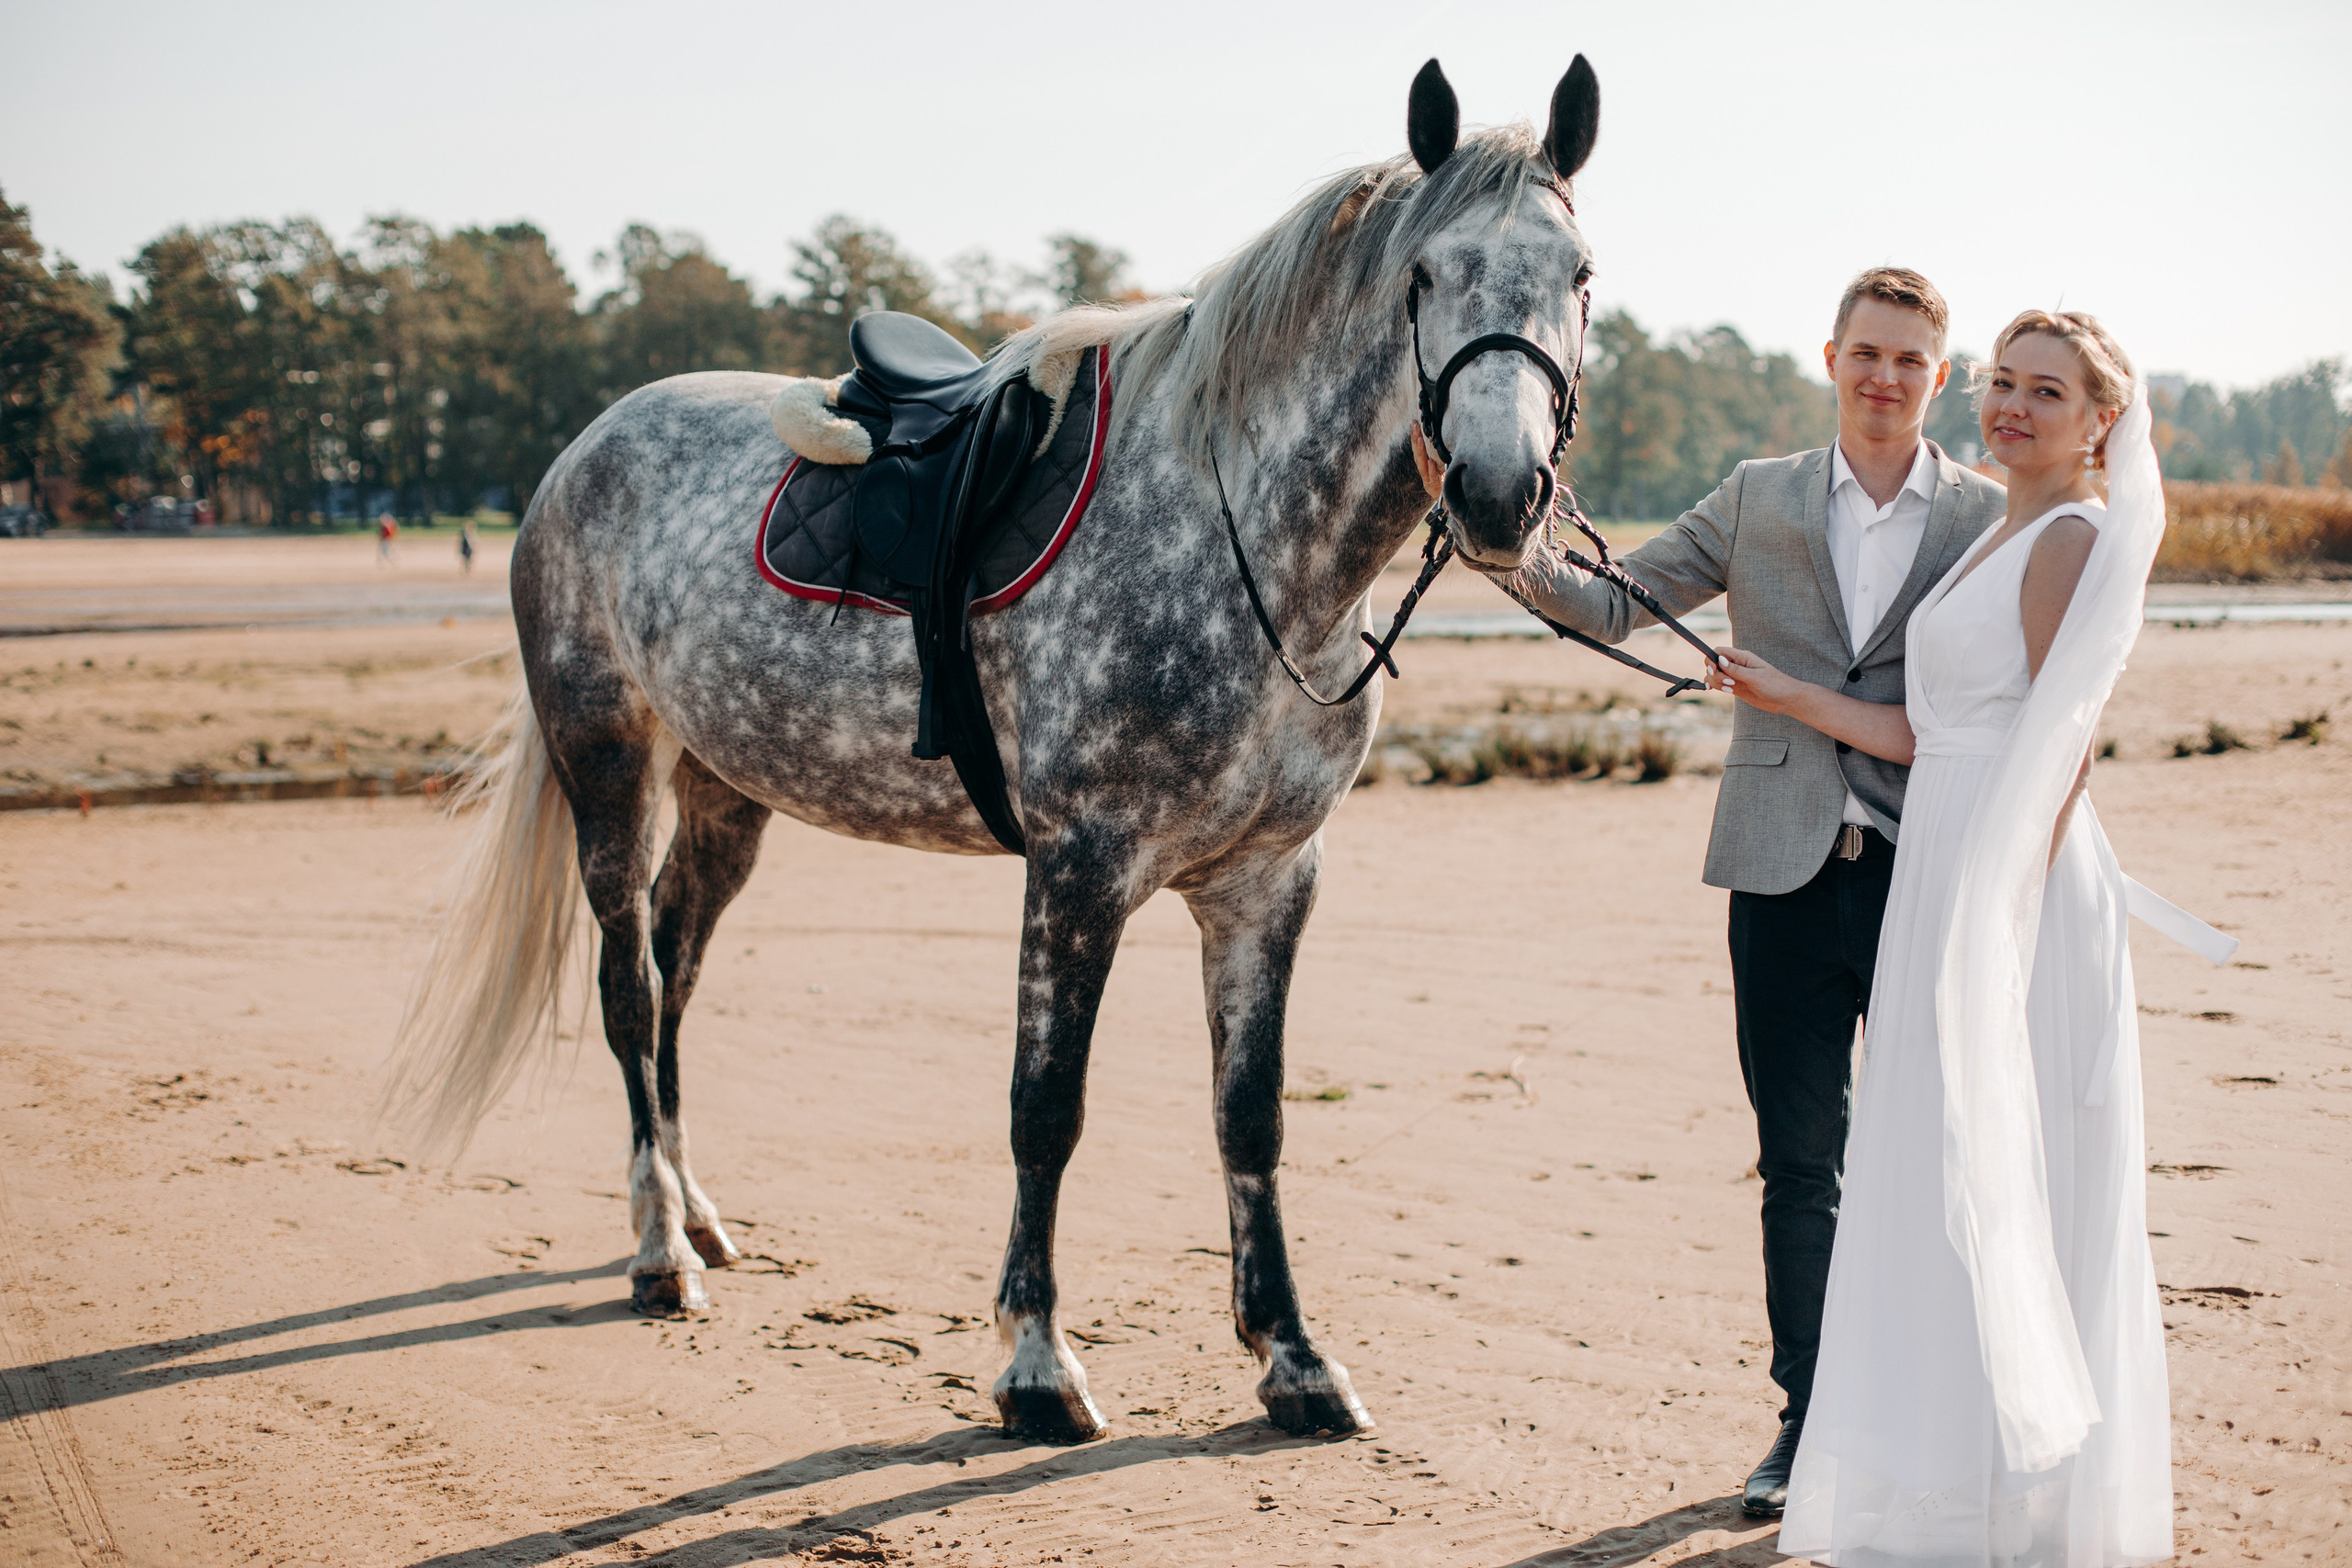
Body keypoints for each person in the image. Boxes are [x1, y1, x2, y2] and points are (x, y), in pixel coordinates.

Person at [1421, 267, 2007, 1514]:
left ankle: (1941, 1422)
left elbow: (2006, 705)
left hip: (1931, 874)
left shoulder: (1987, 520)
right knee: (1801, 1166)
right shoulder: (1758, 496)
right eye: (1867, 353)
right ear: (1832, 359)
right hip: (1778, 875)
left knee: (1942, 1159)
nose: (1886, 377)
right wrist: (1490, 532)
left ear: (1940, 377)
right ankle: (1811, 1422)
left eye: (1911, 359)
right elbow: (1609, 605)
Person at [1713, 313, 2177, 1564]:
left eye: (2048, 391)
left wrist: (2003, 913)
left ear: (2101, 421)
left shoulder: (2067, 539)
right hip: (1946, 859)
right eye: (2004, 382)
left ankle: (2027, 1498)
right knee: (1943, 1166)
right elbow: (1933, 735)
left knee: (2011, 1161)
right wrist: (1789, 694)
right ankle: (1951, 1473)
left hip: (2009, 884)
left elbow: (2062, 748)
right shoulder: (2000, 533)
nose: (2013, 405)